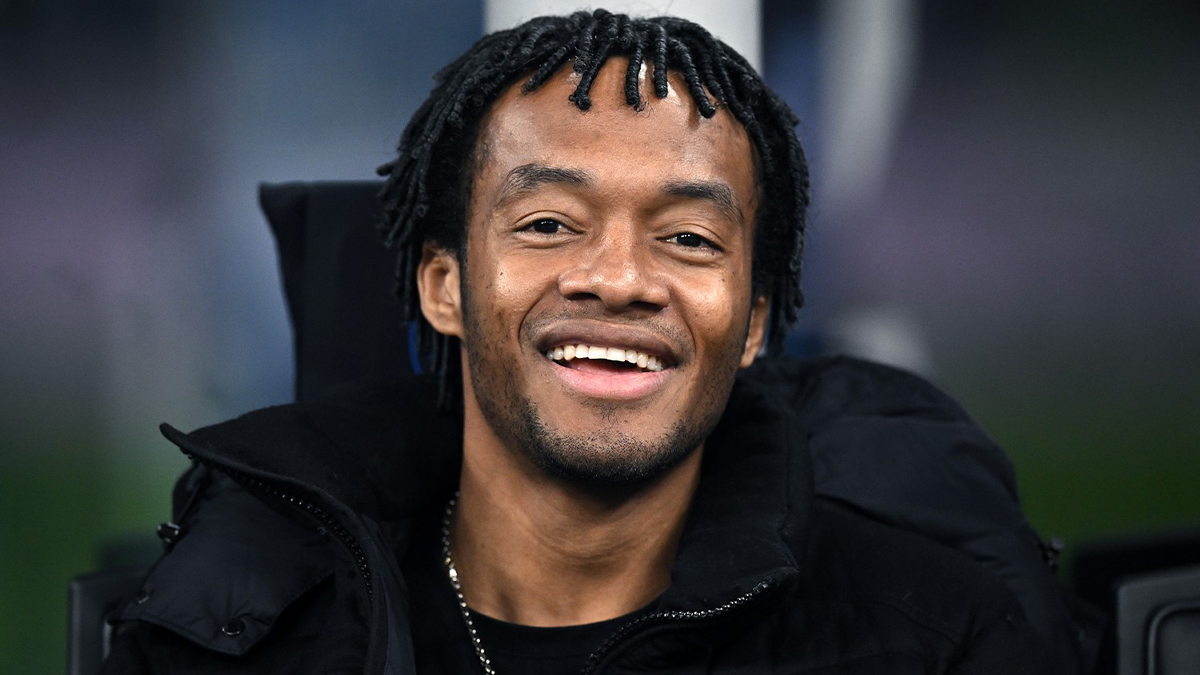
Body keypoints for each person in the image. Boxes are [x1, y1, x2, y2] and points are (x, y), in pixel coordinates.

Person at [101, 10, 1088, 674]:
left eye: (688, 238)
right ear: (442, 286)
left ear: (754, 323)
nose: (617, 278)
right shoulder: (224, 635)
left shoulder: (941, 641)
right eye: (548, 224)